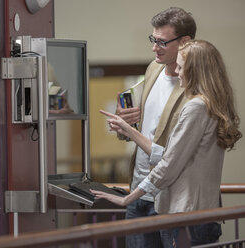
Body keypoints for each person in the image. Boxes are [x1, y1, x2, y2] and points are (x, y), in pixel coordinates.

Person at [92, 40, 242, 247]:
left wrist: (128, 198)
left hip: (185, 216)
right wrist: (128, 130)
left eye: (181, 67)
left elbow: (169, 164)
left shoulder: (195, 107)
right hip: (200, 213)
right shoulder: (211, 103)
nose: (177, 72)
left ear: (195, 70)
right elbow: (172, 156)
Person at [114, 7, 197, 248]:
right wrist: (127, 124)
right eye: (153, 39)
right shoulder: (153, 68)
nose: (154, 48)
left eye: (161, 42)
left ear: (185, 42)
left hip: (172, 198)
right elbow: (148, 128)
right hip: (139, 191)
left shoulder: (197, 87)